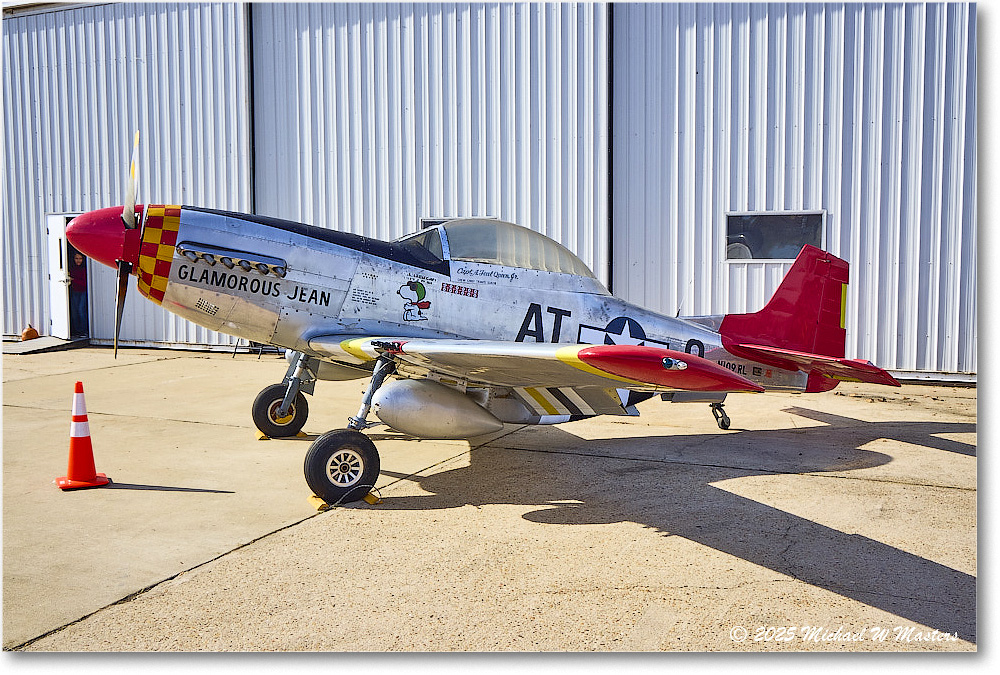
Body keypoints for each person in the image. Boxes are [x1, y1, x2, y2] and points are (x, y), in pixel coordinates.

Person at [69, 251, 89, 337]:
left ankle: (84, 331)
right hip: (75, 291)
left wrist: (73, 279)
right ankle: (77, 331)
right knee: (74, 312)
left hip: (83, 292)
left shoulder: (84, 269)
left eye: (80, 258)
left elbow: (85, 283)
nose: (78, 261)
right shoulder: (72, 269)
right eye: (76, 258)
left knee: (81, 310)